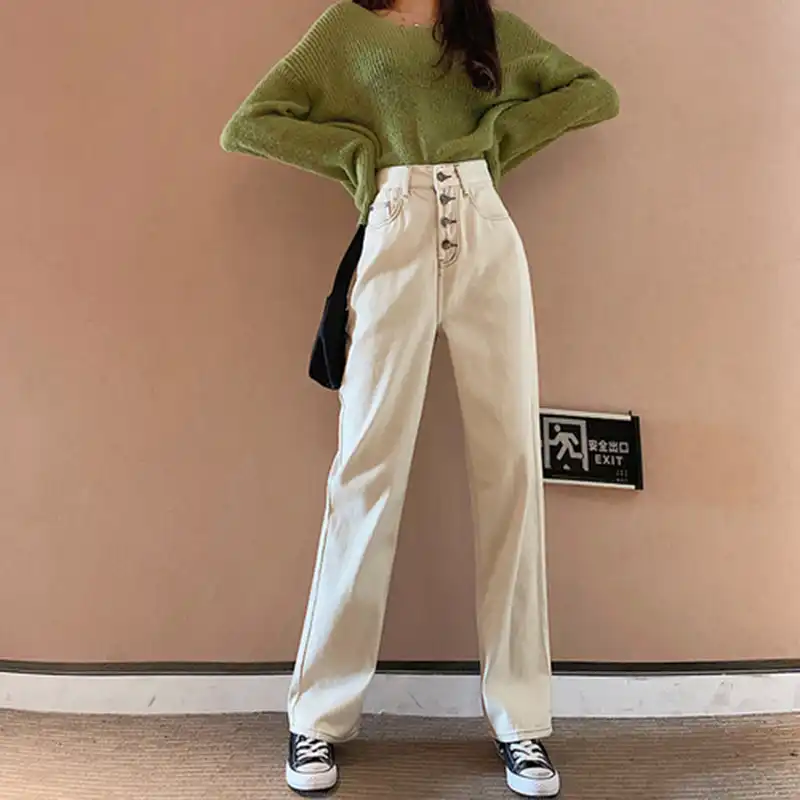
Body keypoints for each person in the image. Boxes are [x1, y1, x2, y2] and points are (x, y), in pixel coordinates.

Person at [220, 0, 619, 795]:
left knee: (511, 470)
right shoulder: (346, 28)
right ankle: (317, 716)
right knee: (364, 471)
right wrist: (358, 155)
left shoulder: (485, 27)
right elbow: (251, 123)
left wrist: (497, 140)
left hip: (485, 229)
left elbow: (593, 92)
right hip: (394, 225)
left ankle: (522, 721)